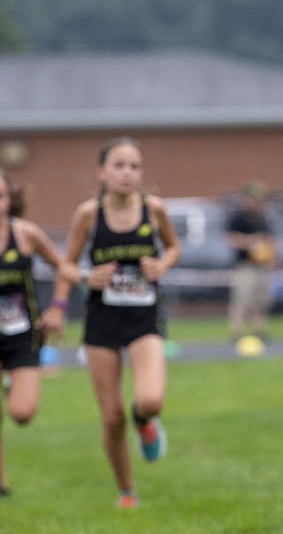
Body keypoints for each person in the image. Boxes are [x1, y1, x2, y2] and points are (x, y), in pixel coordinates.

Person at [58, 137, 181, 508]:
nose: (127, 173)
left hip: (144, 319)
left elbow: (172, 247)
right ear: (102, 172)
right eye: (119, 165)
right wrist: (84, 277)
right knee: (111, 418)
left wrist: (162, 265)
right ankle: (126, 490)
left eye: (134, 166)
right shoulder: (88, 214)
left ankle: (142, 420)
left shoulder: (153, 209)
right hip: (102, 324)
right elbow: (66, 263)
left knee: (151, 399)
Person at [0, 169, 68, 497]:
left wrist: (56, 308)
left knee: (21, 413)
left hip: (21, 334)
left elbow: (64, 267)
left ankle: (11, 386)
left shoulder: (25, 234)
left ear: (9, 200)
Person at [225, 180, 276, 343]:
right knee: (242, 298)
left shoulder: (263, 218)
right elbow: (230, 239)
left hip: (262, 266)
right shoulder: (238, 218)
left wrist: (273, 260)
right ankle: (236, 331)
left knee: (260, 300)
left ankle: (259, 330)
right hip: (245, 266)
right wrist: (250, 242)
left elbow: (270, 241)